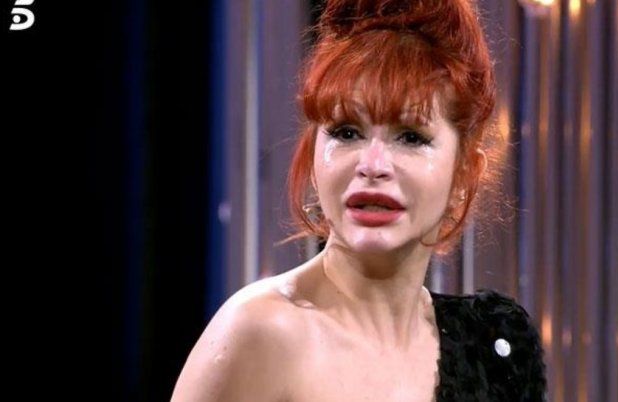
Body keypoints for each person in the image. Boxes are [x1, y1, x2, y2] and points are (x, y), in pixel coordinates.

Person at [171, 0, 546, 400]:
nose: (373, 165)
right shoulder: (260, 334)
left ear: (464, 172)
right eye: (346, 132)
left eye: (411, 137)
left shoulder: (494, 351)